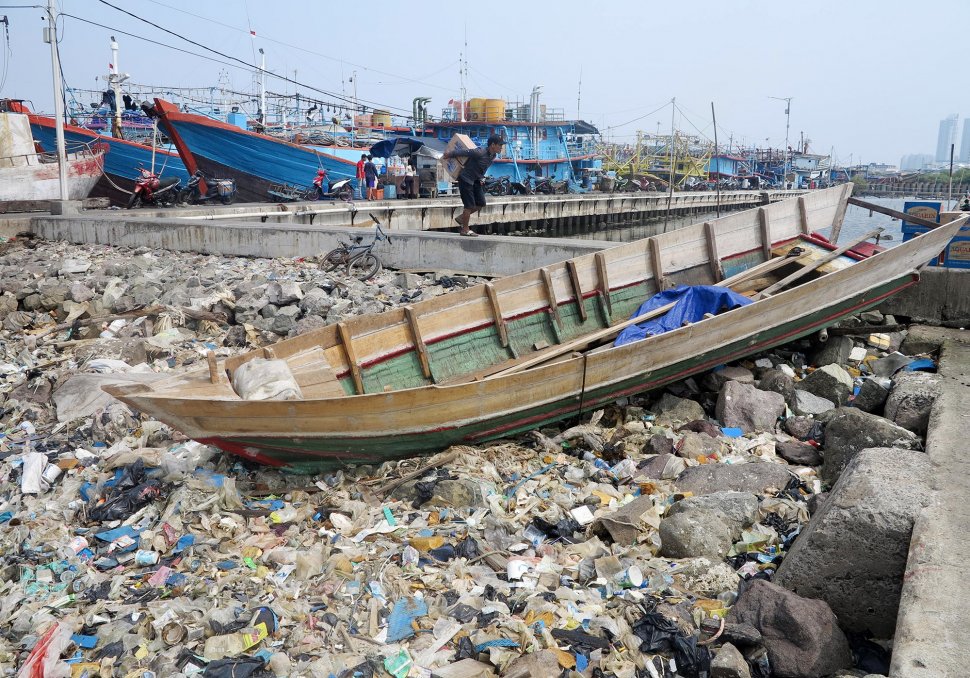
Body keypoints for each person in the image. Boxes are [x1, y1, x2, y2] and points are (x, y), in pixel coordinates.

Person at [442, 133, 506, 236]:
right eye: (500, 145)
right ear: (493, 145)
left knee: (481, 203)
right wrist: (449, 154)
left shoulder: (493, 156)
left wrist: (481, 177)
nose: (501, 148)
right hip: (466, 179)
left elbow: (482, 167)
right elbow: (465, 152)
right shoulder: (480, 152)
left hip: (476, 180)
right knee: (469, 206)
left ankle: (461, 218)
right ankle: (465, 230)